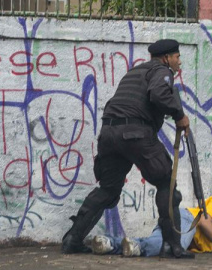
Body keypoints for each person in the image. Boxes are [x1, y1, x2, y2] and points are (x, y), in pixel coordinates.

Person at [61, 39, 192, 258]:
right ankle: (172, 246)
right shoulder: (162, 70)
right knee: (165, 183)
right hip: (136, 134)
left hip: (109, 135)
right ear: (166, 58)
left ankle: (72, 239)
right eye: (177, 57)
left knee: (108, 189)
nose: (179, 62)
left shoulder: (135, 72)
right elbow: (159, 94)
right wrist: (180, 116)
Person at [89, 177, 212, 257]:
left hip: (187, 232)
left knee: (158, 245)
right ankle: (125, 244)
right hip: (188, 221)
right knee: (159, 247)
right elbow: (204, 221)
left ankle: (108, 243)